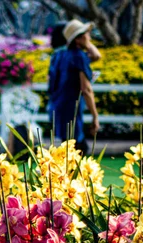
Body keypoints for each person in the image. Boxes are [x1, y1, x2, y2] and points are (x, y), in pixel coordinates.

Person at [48, 19, 101, 154]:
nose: (89, 37)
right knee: (78, 150)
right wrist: (95, 116)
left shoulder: (60, 55)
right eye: (86, 34)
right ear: (78, 39)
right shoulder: (78, 57)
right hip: (71, 110)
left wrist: (85, 42)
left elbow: (96, 56)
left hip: (58, 107)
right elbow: (87, 90)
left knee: (68, 149)